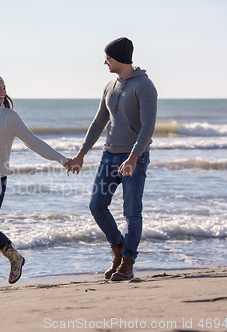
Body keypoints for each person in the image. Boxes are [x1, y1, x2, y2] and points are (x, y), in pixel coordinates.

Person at [0, 72, 69, 293]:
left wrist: (61, 158)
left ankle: (15, 258)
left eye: (4, 88)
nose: (3, 92)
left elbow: (34, 142)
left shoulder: (10, 117)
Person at [66, 37, 157, 281]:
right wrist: (81, 154)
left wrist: (134, 157)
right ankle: (118, 248)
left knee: (132, 211)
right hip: (109, 155)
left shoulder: (145, 86)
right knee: (96, 205)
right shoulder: (109, 86)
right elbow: (98, 122)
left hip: (133, 158)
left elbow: (149, 126)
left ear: (118, 59)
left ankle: (128, 263)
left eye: (107, 58)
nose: (105, 62)